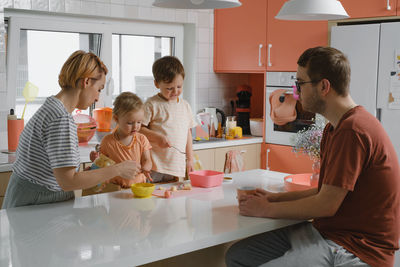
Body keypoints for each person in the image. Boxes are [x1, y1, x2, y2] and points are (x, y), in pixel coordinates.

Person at [226, 47, 400, 267]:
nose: (296, 92)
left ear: (324, 86)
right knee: (238, 256)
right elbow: (324, 192)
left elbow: (325, 205)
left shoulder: (353, 130)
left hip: (355, 249)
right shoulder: (334, 128)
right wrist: (271, 197)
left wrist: (266, 209)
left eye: (300, 83)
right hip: (328, 235)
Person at [2, 50, 140, 209]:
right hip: (39, 201)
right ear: (86, 82)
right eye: (99, 89)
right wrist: (118, 169)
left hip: (25, 197)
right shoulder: (60, 119)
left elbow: (57, 170)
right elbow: (68, 182)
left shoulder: (51, 107)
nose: (97, 98)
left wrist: (90, 173)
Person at [140, 56, 196, 182]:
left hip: (176, 167)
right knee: (151, 199)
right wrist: (157, 137)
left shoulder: (185, 106)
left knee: (172, 199)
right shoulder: (152, 104)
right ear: (156, 84)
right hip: (154, 166)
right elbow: (139, 130)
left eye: (179, 86)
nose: (175, 91)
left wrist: (190, 160)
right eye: (169, 88)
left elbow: (187, 134)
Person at [90, 92, 152, 190]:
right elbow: (102, 165)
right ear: (116, 119)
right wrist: (95, 159)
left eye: (139, 122)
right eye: (130, 123)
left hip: (138, 186)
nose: (136, 126)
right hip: (115, 188)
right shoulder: (107, 141)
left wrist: (146, 167)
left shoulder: (142, 139)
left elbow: (147, 160)